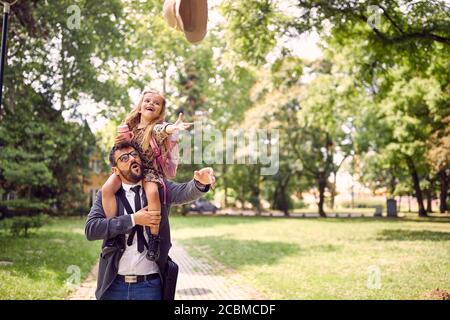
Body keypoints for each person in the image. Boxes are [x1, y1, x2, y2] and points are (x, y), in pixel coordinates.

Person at [85, 141, 215, 300]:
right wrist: (133, 219)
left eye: (134, 154)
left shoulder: (159, 189)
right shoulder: (106, 196)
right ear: (115, 170)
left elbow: (183, 192)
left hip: (150, 286)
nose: (132, 159)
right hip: (113, 285)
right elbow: (92, 229)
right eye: (124, 158)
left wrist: (200, 183)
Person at [102, 89, 192, 261]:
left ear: (160, 111)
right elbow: (120, 148)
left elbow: (163, 129)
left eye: (156, 103)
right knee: (107, 189)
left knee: (152, 193)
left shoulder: (154, 129)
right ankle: (113, 235)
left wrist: (173, 127)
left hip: (149, 170)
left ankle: (154, 238)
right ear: (140, 107)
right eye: (148, 101)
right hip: (129, 167)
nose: (151, 104)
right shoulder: (130, 127)